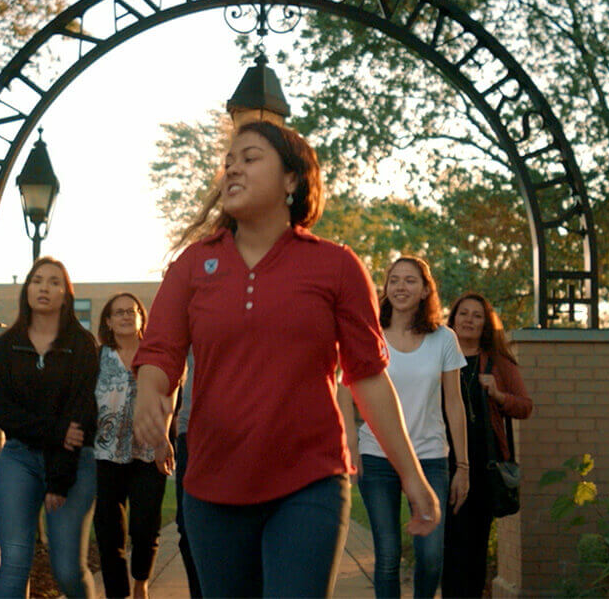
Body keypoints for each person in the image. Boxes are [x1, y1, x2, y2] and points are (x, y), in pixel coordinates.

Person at [132, 120, 441, 597]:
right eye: (228, 161)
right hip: (213, 484)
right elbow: (160, 352)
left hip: (309, 480)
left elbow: (369, 378)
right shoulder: (193, 265)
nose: (233, 167)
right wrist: (152, 394)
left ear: (292, 180)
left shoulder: (336, 265)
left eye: (250, 158)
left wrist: (412, 476)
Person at [343, 257, 470, 598]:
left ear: (426, 289)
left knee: (430, 556)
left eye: (410, 280)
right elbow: (345, 387)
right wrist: (351, 445)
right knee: (387, 554)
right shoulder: (370, 334)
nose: (400, 287)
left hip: (430, 458)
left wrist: (462, 465)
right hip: (377, 456)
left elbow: (454, 404)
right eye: (394, 280)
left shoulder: (444, 339)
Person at [0, 257, 99, 598]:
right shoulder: (8, 346)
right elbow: (4, 412)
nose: (44, 288)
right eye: (37, 281)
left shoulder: (81, 346)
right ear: (27, 290)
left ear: (66, 295)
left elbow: (81, 416)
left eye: (53, 282)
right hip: (18, 458)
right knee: (15, 561)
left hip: (73, 461)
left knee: (66, 570)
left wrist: (59, 480)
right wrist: (54, 430)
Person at [440, 293, 533, 598]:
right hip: (442, 460)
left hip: (484, 465)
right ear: (451, 320)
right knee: (446, 545)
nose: (468, 319)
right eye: (463, 313)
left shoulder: (498, 362)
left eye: (476, 315)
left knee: (474, 546)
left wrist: (498, 394)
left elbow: (525, 407)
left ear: (485, 324)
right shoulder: (438, 357)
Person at [92, 293, 169, 599]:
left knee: (144, 524)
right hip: (105, 453)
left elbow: (168, 396)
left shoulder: (155, 355)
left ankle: (141, 582)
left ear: (141, 317)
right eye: (118, 312)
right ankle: (118, 594)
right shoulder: (97, 358)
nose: (125, 316)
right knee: (109, 532)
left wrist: (164, 438)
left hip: (147, 450)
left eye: (131, 311)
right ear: (108, 322)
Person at [172, 351, 202, 598]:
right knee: (187, 526)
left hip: (247, 430)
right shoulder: (192, 312)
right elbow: (170, 367)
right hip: (191, 431)